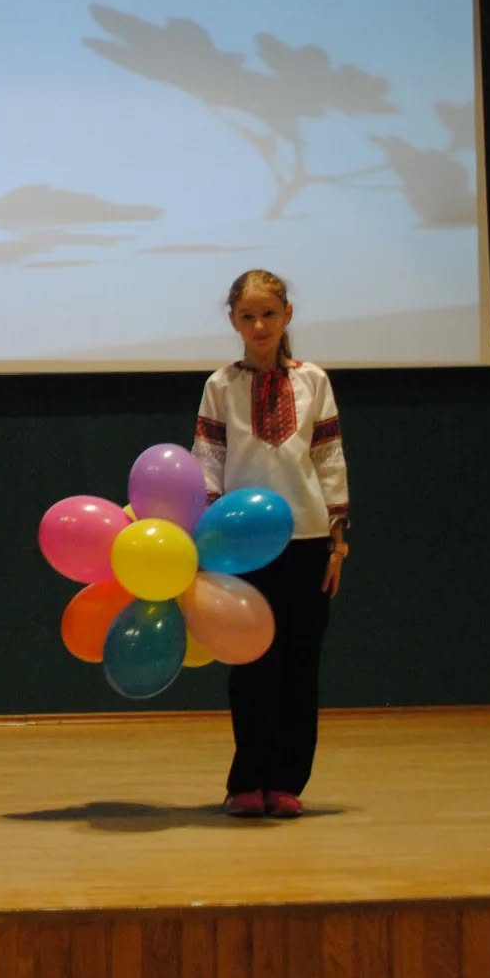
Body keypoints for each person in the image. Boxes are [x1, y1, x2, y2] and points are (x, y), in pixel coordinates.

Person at [192, 269, 349, 820]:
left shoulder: (314, 381)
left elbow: (328, 458)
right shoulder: (220, 386)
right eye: (248, 316)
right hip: (240, 545)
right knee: (250, 664)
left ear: (287, 316)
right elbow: (207, 461)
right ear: (233, 321)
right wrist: (207, 537)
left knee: (300, 664)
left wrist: (337, 542)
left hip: (306, 540)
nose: (259, 326)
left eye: (269, 314)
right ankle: (247, 781)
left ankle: (286, 781)